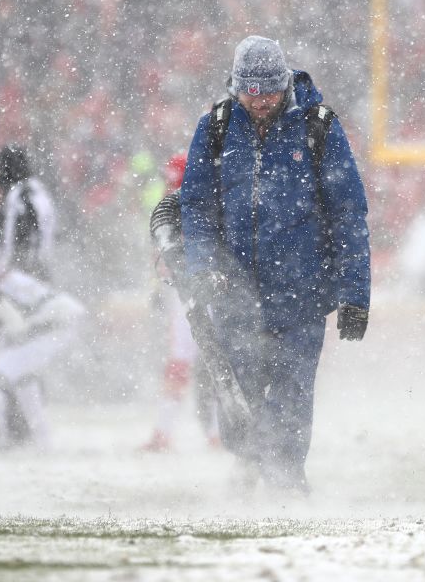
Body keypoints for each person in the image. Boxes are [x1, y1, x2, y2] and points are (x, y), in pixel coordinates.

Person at [179, 35, 371, 493]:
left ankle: (286, 476)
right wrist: (203, 267)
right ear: (235, 86)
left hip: (302, 295)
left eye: (268, 91)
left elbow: (349, 215)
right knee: (237, 387)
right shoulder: (216, 128)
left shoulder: (319, 128)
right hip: (233, 292)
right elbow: (195, 208)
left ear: (284, 83)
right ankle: (247, 462)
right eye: (250, 91)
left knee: (293, 389)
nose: (260, 101)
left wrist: (355, 294)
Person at [0, 265, 84, 451]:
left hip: (54, 323)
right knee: (23, 380)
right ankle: (45, 443)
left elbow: (16, 325)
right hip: (61, 317)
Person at [140, 153, 221, 453]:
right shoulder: (216, 177)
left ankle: (168, 431)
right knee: (210, 358)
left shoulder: (191, 185)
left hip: (192, 282)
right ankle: (213, 432)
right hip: (207, 280)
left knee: (186, 360)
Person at [0, 144, 57, 280]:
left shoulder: (18, 196)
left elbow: (16, 241)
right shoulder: (39, 190)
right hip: (41, 272)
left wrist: (5, 271)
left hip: (24, 276)